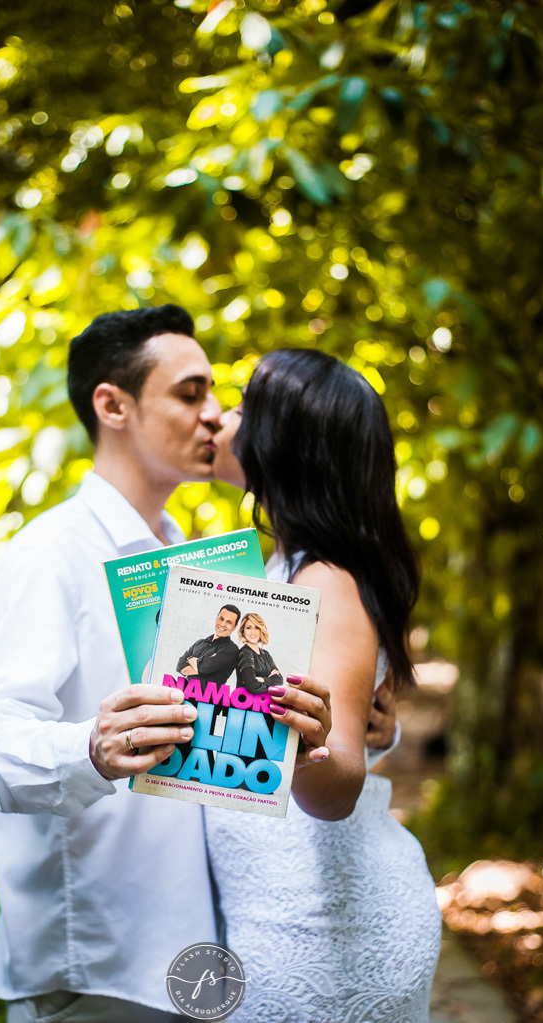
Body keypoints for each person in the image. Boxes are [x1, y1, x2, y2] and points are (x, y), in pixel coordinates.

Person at [0, 303, 394, 1023]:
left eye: (219, 396)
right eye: (191, 394)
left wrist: (352, 721)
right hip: (98, 955)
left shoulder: (203, 558)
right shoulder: (51, 551)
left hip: (204, 948)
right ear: (112, 404)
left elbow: (270, 720)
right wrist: (90, 747)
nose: (214, 416)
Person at [205, 348, 442, 1023]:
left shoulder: (322, 581)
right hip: (290, 913)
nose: (223, 418)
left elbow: (334, 779)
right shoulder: (292, 568)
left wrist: (311, 745)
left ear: (282, 441)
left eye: (242, 406)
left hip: (322, 933)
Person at [176, 604, 241, 685]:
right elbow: (180, 665)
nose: (223, 624)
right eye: (221, 619)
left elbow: (205, 668)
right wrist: (202, 666)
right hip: (185, 694)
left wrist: (191, 659)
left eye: (229, 622)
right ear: (216, 618)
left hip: (208, 697)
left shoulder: (232, 650)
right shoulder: (200, 642)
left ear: (235, 627)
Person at [235, 612, 282, 694]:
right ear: (243, 631)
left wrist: (262, 679)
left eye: (257, 627)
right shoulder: (245, 653)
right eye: (248, 628)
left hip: (261, 703)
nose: (253, 632)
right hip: (244, 703)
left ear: (261, 630)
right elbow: (251, 684)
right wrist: (269, 680)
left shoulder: (265, 654)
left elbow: (279, 680)